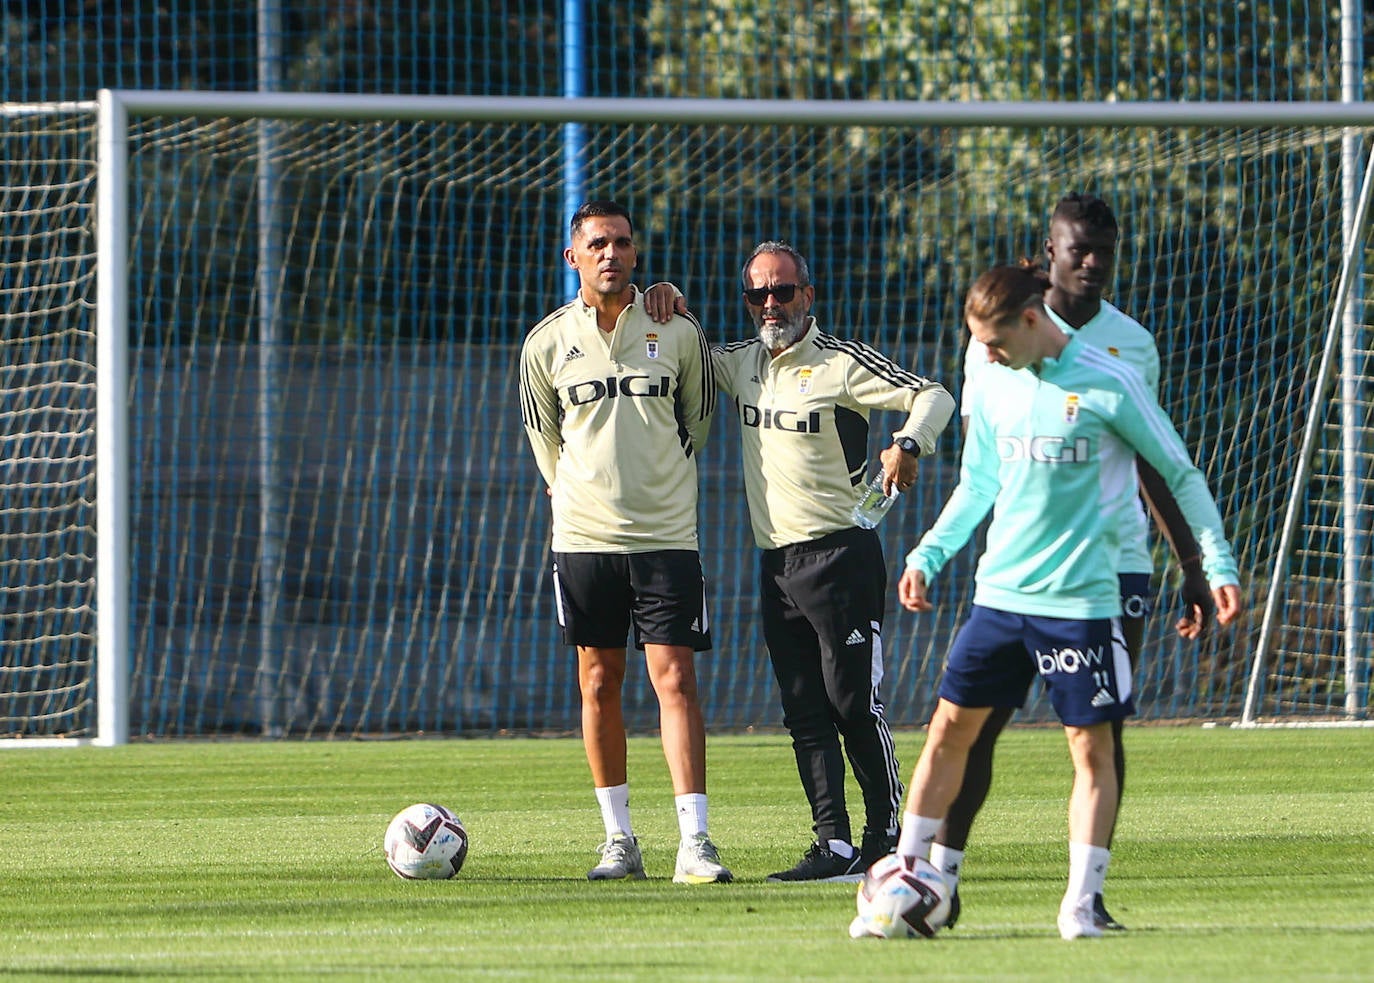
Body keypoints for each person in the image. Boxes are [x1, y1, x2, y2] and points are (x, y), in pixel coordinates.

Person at [893, 261, 1242, 939]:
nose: (985, 354)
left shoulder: (1111, 382)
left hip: (1081, 604)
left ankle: (1081, 905)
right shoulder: (994, 380)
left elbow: (1179, 471)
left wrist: (1216, 560)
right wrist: (927, 554)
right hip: (999, 597)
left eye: (994, 340)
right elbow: (979, 481)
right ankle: (909, 880)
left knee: (1092, 749)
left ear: (1031, 320)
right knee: (947, 733)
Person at [707, 240, 956, 881]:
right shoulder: (737, 365)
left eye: (782, 291)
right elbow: (680, 359)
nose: (770, 304)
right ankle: (833, 845)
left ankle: (887, 838)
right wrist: (664, 305)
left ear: (807, 296)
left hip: (841, 556)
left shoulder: (841, 363)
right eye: (758, 293)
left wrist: (907, 442)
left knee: (853, 704)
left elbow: (935, 395)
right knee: (802, 709)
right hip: (776, 564)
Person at [517, 200, 731, 885]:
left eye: (623, 243)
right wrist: (582, 494)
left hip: (667, 536)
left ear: (637, 255)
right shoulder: (545, 343)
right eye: (598, 244)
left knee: (676, 679)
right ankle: (619, 839)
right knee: (598, 681)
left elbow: (697, 421)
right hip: (583, 541)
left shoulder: (677, 329)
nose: (611, 253)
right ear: (572, 257)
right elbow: (545, 443)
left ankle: (695, 842)